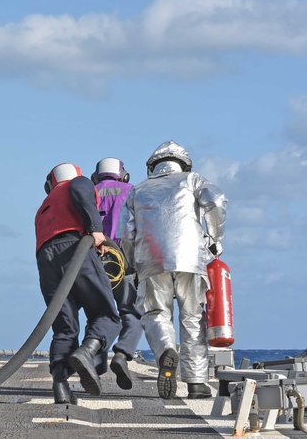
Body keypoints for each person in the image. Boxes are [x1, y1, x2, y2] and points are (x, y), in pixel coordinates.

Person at [121, 141, 226, 400]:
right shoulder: (192, 180)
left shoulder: (138, 190)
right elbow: (216, 200)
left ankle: (167, 349)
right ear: (183, 164)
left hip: (151, 261)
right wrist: (213, 238)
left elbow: (126, 233)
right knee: (192, 318)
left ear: (152, 167)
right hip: (191, 258)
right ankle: (197, 384)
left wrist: (132, 264)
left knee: (156, 313)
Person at [35, 162, 121, 404]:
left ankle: (61, 387)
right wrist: (95, 229)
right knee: (106, 314)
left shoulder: (44, 206)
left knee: (64, 327)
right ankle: (87, 352)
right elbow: (82, 195)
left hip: (46, 261)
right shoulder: (78, 183)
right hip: (76, 248)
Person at [91, 157, 144, 391]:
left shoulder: (89, 192)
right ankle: (123, 353)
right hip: (124, 259)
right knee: (132, 312)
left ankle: (94, 364)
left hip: (94, 257)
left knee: (98, 313)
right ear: (124, 175)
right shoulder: (133, 191)